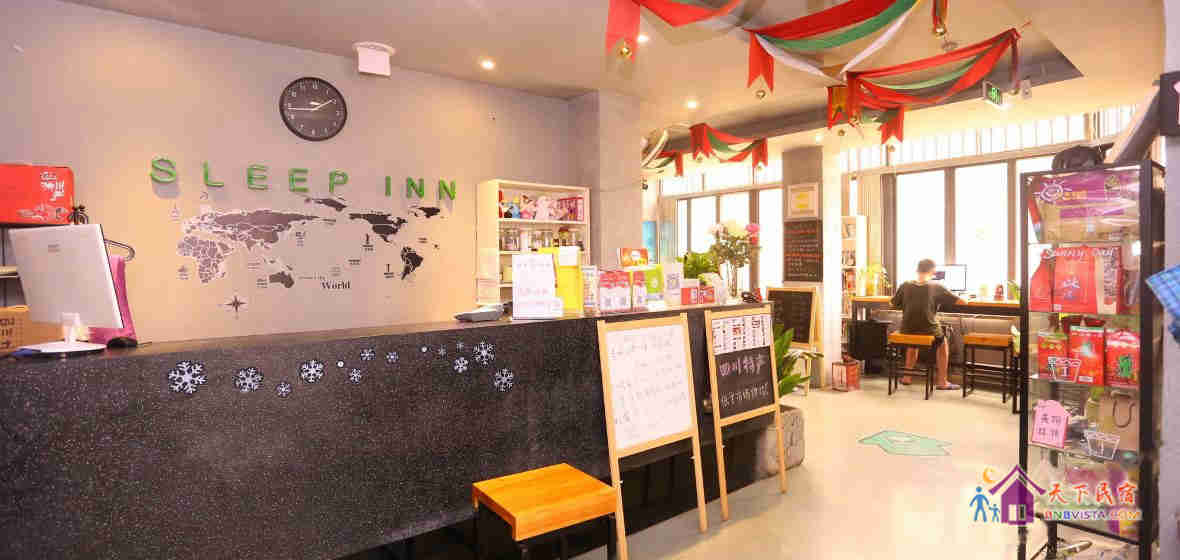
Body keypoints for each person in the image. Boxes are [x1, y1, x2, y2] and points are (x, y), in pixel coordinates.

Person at [890, 258, 966, 390]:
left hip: (907, 329)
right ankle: (942, 382)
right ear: (933, 271)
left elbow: (892, 303)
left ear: (917, 270)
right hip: (928, 329)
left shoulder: (905, 285)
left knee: (913, 340)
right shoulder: (936, 286)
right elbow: (962, 302)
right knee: (943, 343)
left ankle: (907, 377)